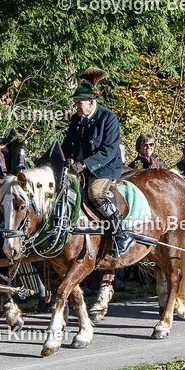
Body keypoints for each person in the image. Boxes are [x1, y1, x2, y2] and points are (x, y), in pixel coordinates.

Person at [62, 67, 135, 256]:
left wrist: (85, 164)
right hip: (80, 167)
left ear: (91, 102)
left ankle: (122, 233)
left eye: (79, 103)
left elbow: (109, 151)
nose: (76, 106)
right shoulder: (76, 120)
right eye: (76, 103)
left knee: (95, 193)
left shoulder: (108, 118)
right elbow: (66, 146)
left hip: (105, 167)